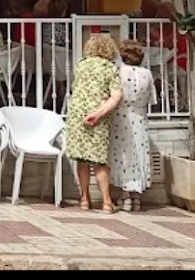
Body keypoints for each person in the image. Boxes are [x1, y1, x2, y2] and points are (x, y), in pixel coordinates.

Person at [63, 34, 124, 213]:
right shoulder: (110, 68)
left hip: (77, 115)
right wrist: (98, 114)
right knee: (99, 160)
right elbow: (116, 96)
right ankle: (106, 202)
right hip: (98, 116)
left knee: (82, 159)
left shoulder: (81, 65)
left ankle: (84, 199)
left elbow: (76, 88)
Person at [109, 40, 157, 212]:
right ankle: (137, 197)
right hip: (140, 117)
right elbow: (152, 99)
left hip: (120, 117)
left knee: (123, 155)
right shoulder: (147, 74)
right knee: (139, 153)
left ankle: (125, 195)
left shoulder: (118, 72)